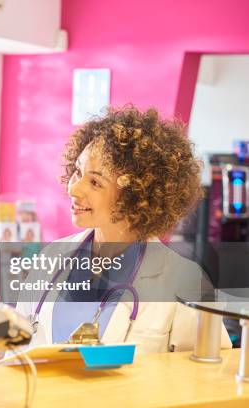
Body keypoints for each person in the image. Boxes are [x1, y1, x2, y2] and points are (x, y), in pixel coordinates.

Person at [16, 106, 231, 353]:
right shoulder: (51, 259)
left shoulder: (183, 280)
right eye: (77, 172)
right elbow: (15, 356)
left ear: (135, 195)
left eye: (95, 182)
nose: (73, 190)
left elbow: (208, 376)